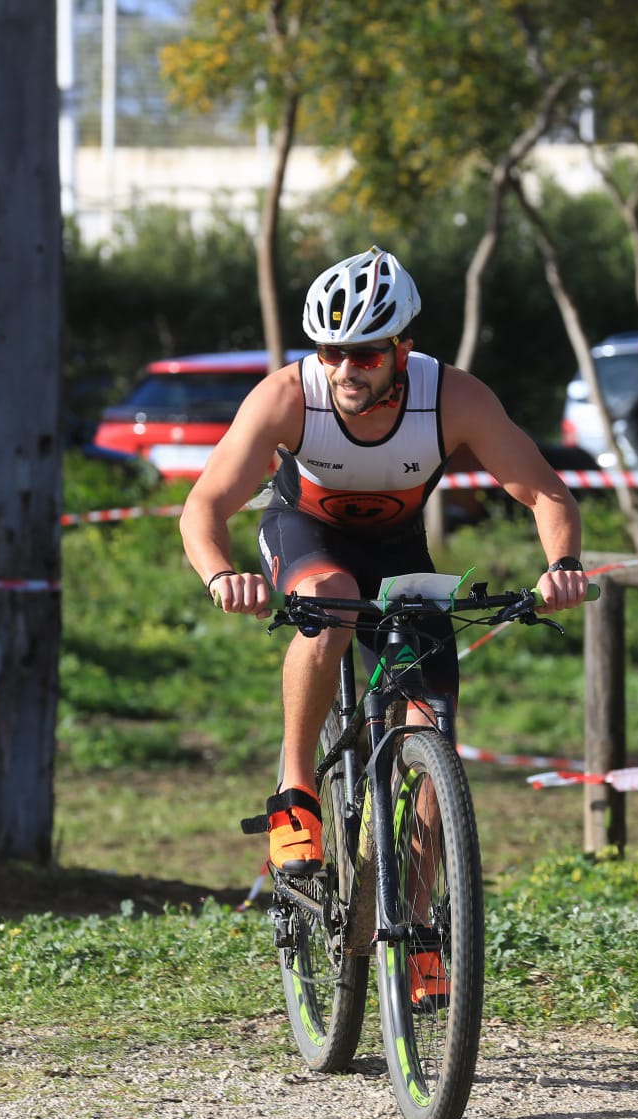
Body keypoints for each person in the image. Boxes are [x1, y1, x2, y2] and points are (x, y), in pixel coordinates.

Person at [180, 246, 589, 885]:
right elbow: (205, 503)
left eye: (366, 353)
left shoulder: (452, 397)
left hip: (398, 551)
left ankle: (423, 938)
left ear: (402, 348)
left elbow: (546, 493)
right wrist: (219, 575)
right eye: (330, 351)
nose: (346, 368)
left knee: (435, 734)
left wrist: (562, 564)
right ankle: (296, 794)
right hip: (304, 534)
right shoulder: (288, 395)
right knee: (332, 597)